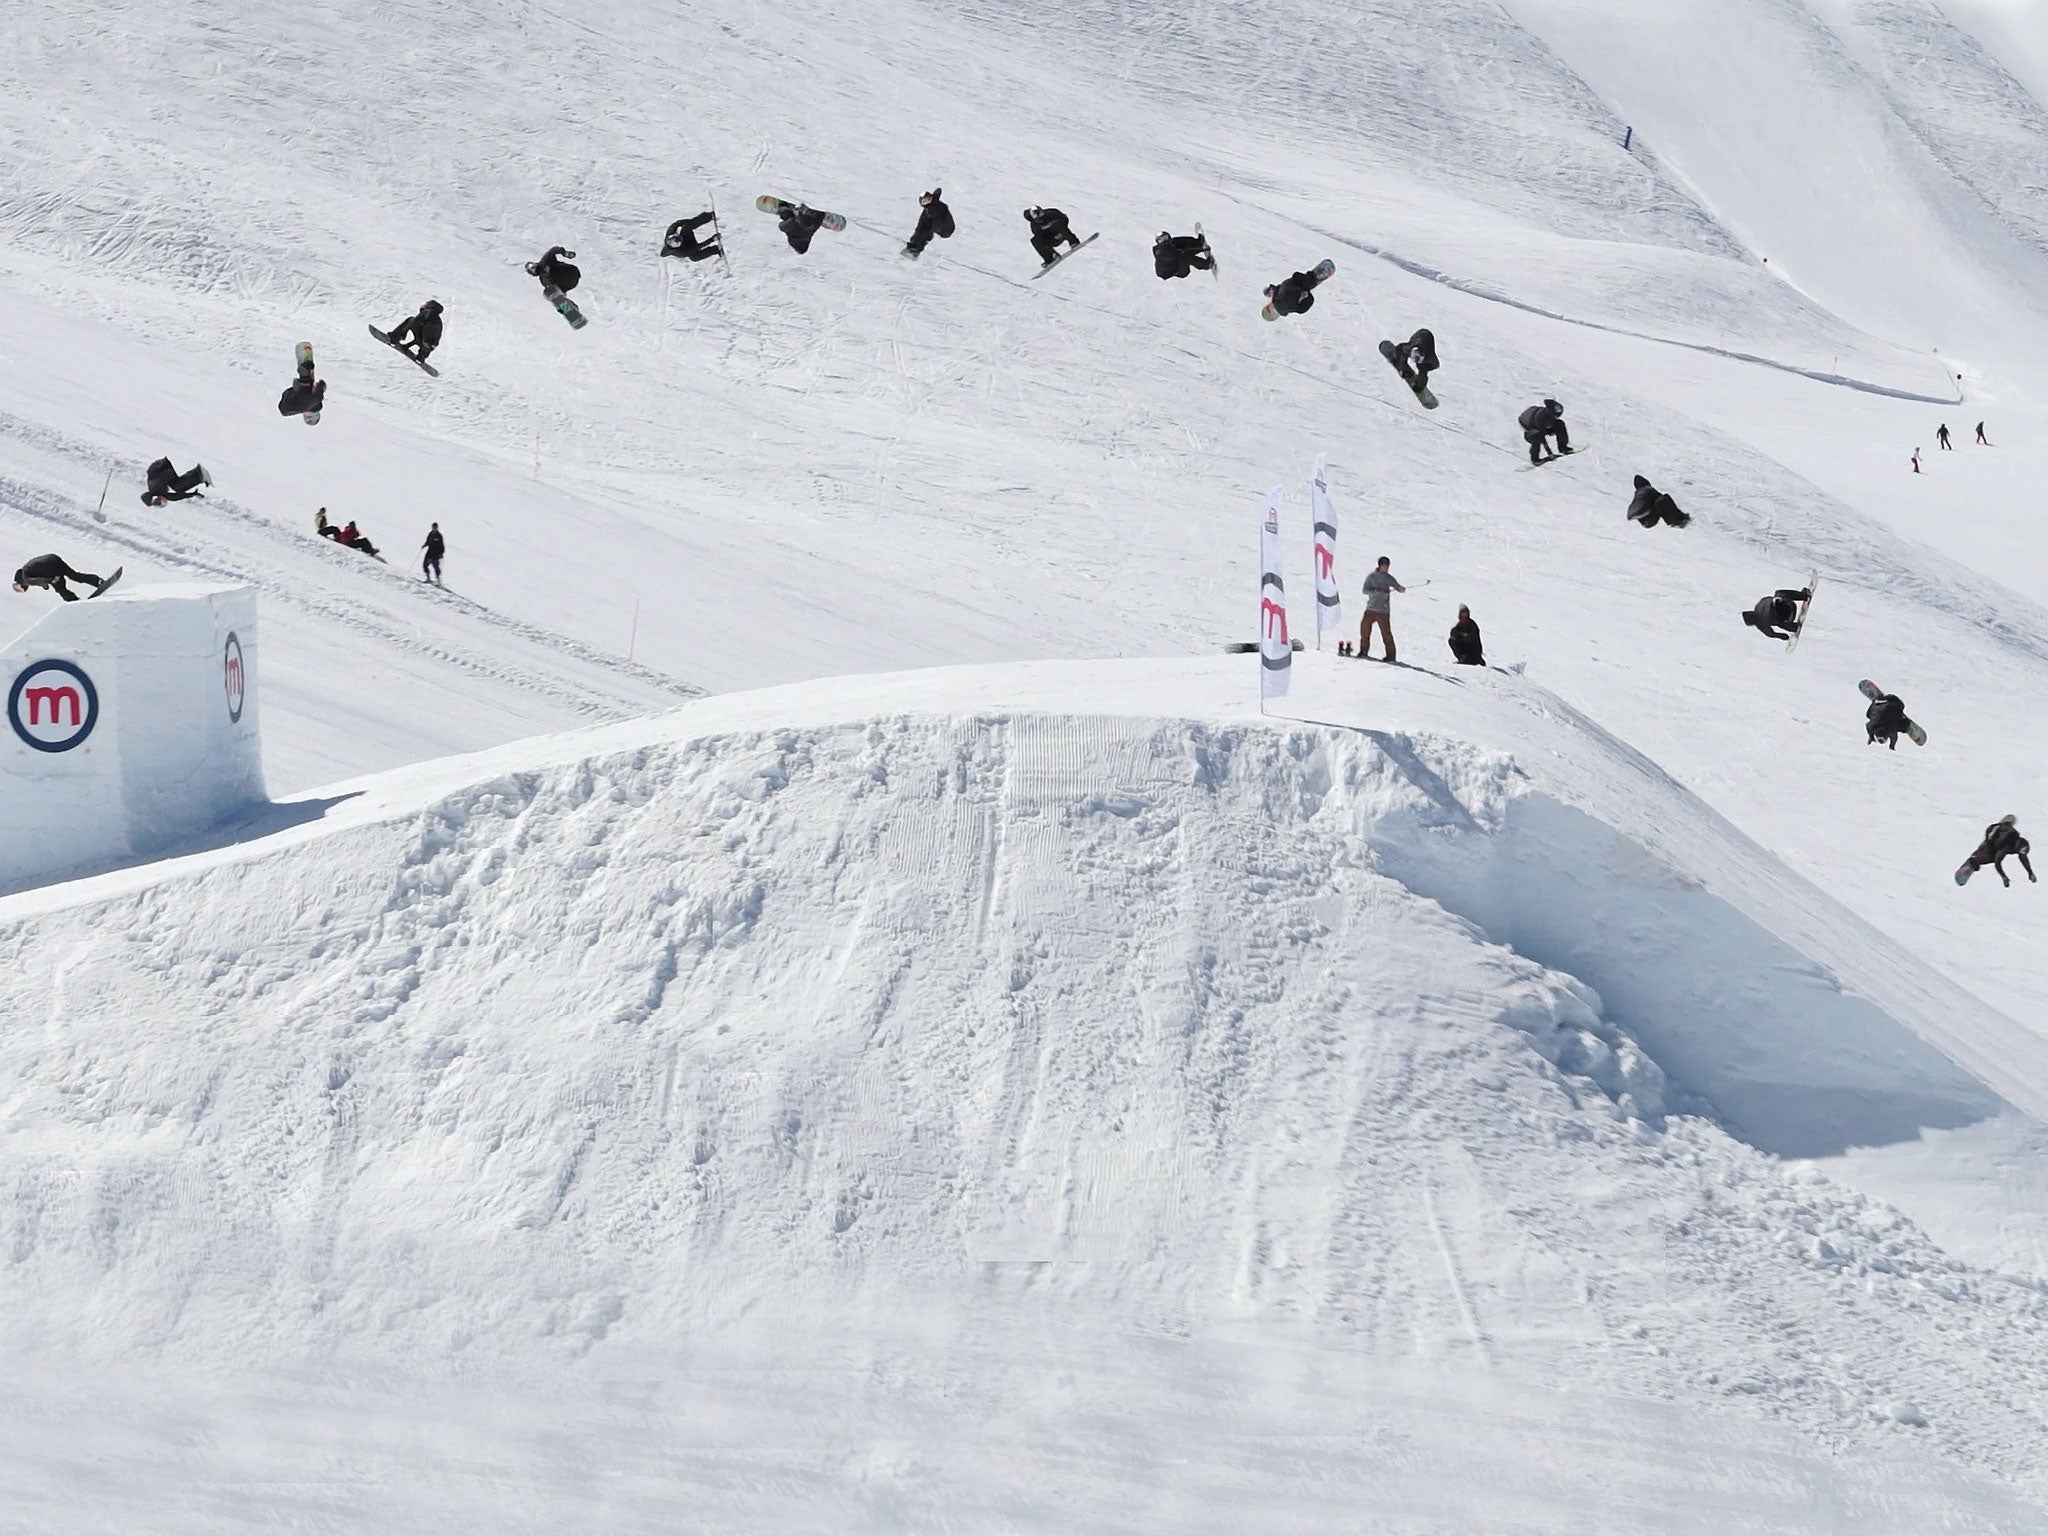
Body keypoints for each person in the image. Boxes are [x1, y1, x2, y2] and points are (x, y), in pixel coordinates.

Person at [1960, 817, 2034, 887]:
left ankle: (1974, 860)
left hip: (1994, 833)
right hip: (1993, 842)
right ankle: (1974, 861)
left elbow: (2023, 858)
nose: (2021, 855)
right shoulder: (2007, 847)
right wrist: (2004, 877)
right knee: (1991, 856)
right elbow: (1997, 862)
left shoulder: (2014, 837)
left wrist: (2030, 872)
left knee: (1990, 852)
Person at [1359, 556, 1406, 661]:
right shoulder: (1371, 577)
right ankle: (1363, 651)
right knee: (1364, 631)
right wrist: (1376, 591)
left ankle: (1391, 656)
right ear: (1379, 566)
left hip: (1383, 611)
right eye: (1384, 566)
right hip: (1371, 609)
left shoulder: (1389, 578)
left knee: (1386, 633)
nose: (1386, 568)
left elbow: (1398, 587)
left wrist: (1401, 589)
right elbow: (1365, 590)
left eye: (1387, 566)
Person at [11, 553, 107, 602]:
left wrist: (48, 581)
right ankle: (98, 581)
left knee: (60, 589)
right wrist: (45, 583)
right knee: (75, 576)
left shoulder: (25, 577)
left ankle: (74, 603)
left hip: (49, 568)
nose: (21, 589)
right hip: (53, 559)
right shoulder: (27, 568)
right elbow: (37, 576)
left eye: (18, 588)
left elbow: (34, 581)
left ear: (19, 582)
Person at [1741, 587, 1810, 640]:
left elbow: (1771, 634)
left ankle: (1793, 627)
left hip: (1788, 618)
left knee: (1776, 621)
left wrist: (1782, 636)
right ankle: (1803, 596)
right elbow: (1770, 598)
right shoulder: (1758, 606)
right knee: (1778, 594)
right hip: (1790, 605)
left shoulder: (1760, 624)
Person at [903, 189, 954, 258]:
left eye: (929, 198)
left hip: (946, 230)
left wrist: (928, 233)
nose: (929, 200)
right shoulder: (932, 206)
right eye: (926, 200)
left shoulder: (932, 211)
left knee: (925, 227)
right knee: (923, 223)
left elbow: (930, 230)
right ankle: (915, 244)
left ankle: (915, 248)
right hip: (944, 225)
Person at [1626, 474, 1690, 528]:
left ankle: (1677, 520)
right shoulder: (1647, 490)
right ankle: (1679, 520)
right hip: (1648, 517)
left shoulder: (1639, 493)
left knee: (1658, 503)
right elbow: (1660, 498)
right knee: (1663, 500)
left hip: (1644, 520)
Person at [1518, 399, 1569, 464]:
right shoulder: (1541, 418)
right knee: (1536, 435)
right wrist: (1550, 453)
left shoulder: (1550, 416)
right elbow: (1542, 438)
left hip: (1544, 429)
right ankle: (1535, 459)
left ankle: (1563, 448)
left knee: (1560, 424)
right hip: (1530, 432)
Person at [142, 457, 208, 506]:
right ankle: (199, 476)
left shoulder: (156, 488)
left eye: (158, 501)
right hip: (162, 468)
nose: (162, 501)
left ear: (155, 497)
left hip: (161, 466)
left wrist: (172, 479)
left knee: (177, 486)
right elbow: (175, 497)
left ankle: (199, 474)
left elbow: (164, 476)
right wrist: (193, 494)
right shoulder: (159, 493)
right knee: (178, 487)